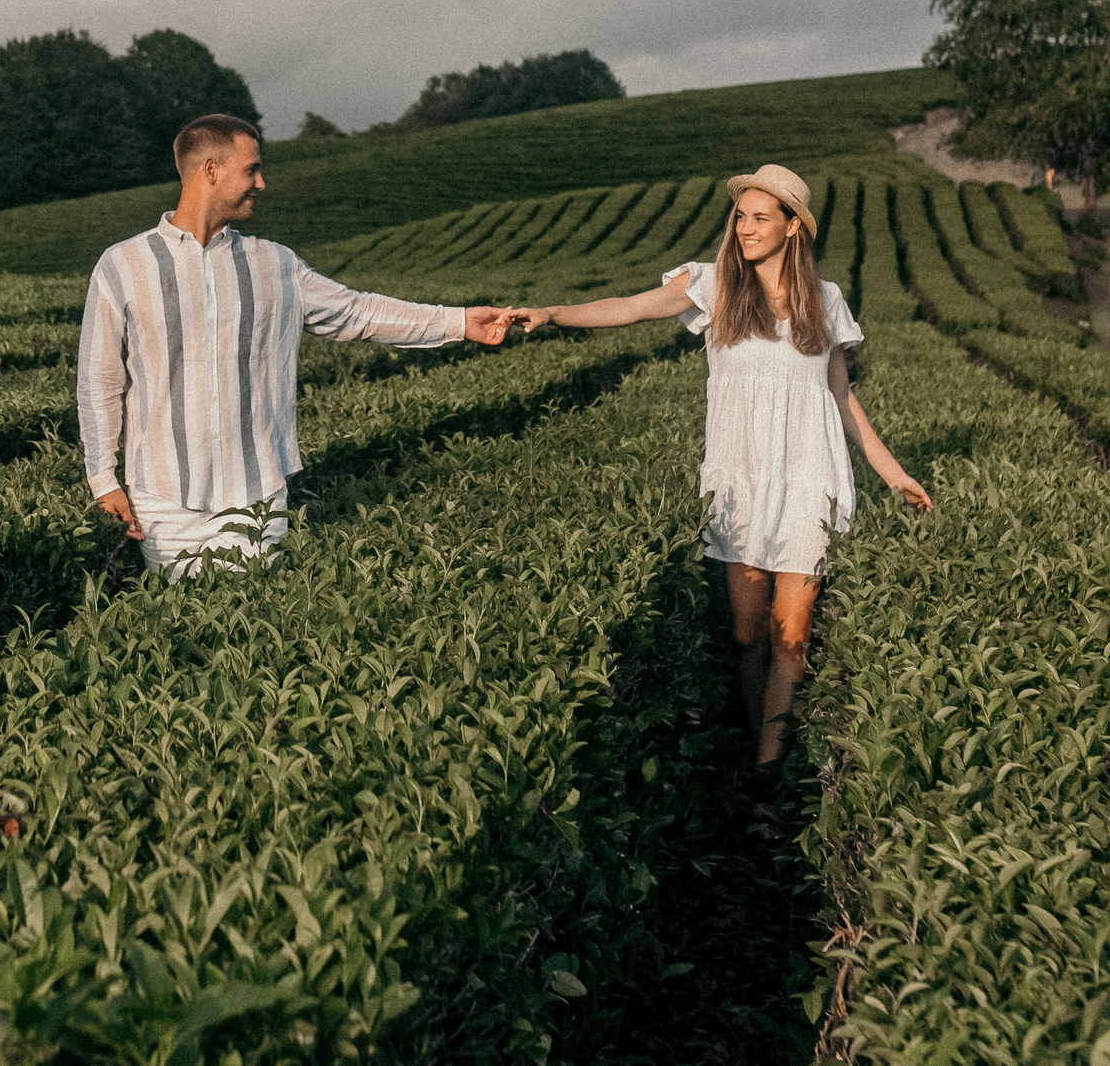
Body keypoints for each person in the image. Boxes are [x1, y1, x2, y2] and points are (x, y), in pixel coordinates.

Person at [510, 164, 930, 763]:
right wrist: (554, 313)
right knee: (745, 635)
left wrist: (894, 474)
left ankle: (766, 771)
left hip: (809, 478)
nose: (745, 228)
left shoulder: (825, 299)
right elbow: (630, 307)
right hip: (741, 481)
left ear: (792, 227)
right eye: (740, 216)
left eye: (761, 217)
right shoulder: (712, 285)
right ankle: (759, 741)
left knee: (792, 637)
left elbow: (841, 398)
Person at [79, 113, 515, 579]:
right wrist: (103, 480)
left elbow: (358, 312)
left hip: (256, 495)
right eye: (251, 169)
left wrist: (459, 321)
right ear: (211, 170)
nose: (261, 183)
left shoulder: (275, 264)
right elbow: (100, 381)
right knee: (178, 619)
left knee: (251, 616)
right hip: (162, 498)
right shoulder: (122, 265)